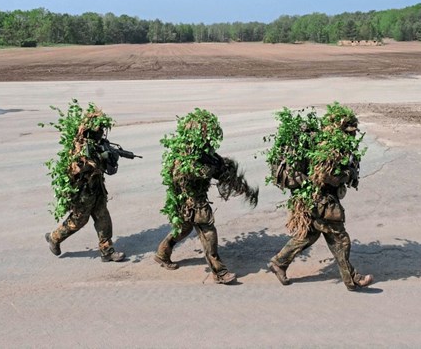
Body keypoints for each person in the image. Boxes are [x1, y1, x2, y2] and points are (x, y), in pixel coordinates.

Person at [266, 103, 373, 291]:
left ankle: (279, 263)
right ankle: (352, 279)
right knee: (340, 239)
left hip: (313, 200)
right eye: (349, 130)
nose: (352, 134)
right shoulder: (328, 148)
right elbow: (327, 177)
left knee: (308, 235)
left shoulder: (323, 142)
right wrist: (346, 175)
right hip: (323, 202)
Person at [154, 108, 258, 284]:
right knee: (209, 234)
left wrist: (225, 170)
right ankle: (220, 272)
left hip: (194, 201)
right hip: (192, 202)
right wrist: (207, 170)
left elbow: (217, 169)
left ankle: (162, 254)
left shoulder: (204, 152)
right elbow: (183, 177)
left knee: (183, 229)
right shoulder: (182, 156)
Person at [44, 103, 127, 262]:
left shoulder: (98, 144)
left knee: (103, 218)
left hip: (97, 188)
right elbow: (74, 168)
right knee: (78, 221)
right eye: (98, 129)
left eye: (102, 129)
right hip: (83, 192)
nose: (101, 132)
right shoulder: (79, 146)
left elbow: (106, 166)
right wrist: (95, 161)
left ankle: (107, 251)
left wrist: (110, 156)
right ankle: (54, 238)